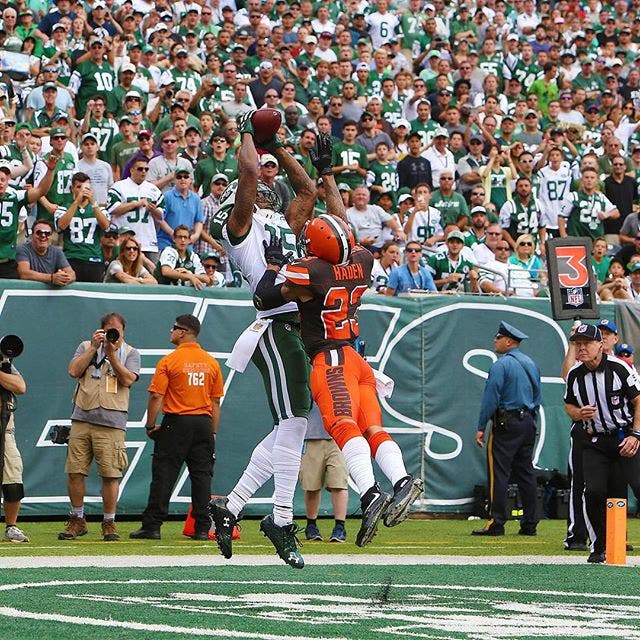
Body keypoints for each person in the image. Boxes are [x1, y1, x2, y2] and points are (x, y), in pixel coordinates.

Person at [252, 141, 423, 548]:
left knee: (343, 426)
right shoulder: (361, 260)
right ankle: (401, 480)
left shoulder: (311, 272)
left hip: (329, 358)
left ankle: (371, 493)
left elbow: (264, 298)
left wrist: (273, 265)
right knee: (373, 427)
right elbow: (341, 221)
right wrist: (326, 174)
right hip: (357, 357)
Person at [207, 110, 316, 569]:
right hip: (275, 324)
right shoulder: (241, 227)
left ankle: (230, 506)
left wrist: (281, 148)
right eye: (257, 193)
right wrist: (250, 131)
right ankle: (281, 518)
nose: (267, 190)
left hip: (300, 327)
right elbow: (250, 172)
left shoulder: (281, 222)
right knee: (294, 423)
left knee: (288, 427)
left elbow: (307, 192)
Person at [130, 315, 223, 540]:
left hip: (176, 422)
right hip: (203, 423)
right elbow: (215, 402)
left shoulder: (169, 361)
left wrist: (150, 425)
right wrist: (212, 431)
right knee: (202, 477)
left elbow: (156, 396)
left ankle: (152, 526)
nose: (170, 331)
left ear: (182, 332)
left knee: (164, 474)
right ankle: (202, 527)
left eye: (173, 328)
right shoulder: (211, 363)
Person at [59, 313, 140, 542]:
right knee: (75, 471)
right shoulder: (86, 346)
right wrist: (94, 348)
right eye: (108, 331)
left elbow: (128, 380)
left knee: (110, 474)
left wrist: (112, 355)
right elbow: (73, 371)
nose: (112, 335)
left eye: (117, 331)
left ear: (123, 332)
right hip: (81, 418)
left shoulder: (131, 353)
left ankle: (109, 522)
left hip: (111, 422)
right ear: (100, 330)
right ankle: (77, 519)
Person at [564, 324, 640, 563]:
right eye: (578, 343)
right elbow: (569, 404)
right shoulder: (575, 374)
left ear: (600, 345)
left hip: (624, 437)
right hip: (595, 441)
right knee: (593, 491)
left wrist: (636, 435)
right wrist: (578, 413)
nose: (582, 347)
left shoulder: (619, 368)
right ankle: (599, 546)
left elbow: (639, 400)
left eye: (587, 343)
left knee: (638, 485)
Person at [472, 321, 541, 537]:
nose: (495, 340)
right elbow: (537, 395)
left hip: (506, 423)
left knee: (499, 473)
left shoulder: (500, 365)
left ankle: (497, 522)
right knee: (526, 473)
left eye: (498, 337)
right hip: (527, 422)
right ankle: (530, 523)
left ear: (509, 341)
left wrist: (481, 426)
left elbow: (491, 397)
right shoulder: (530, 363)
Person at [301, 404, 349, 543]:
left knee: (339, 483)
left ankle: (340, 526)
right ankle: (311, 525)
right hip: (311, 436)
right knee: (311, 486)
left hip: (339, 436)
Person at [0, 343, 29, 542]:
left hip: (5, 430)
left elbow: (20, 387)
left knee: (13, 480)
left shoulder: (6, 366)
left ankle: (11, 527)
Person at [16, 219, 76, 286]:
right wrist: (52, 278)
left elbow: (72, 274)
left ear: (51, 236)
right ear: (32, 235)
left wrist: (63, 278)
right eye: (39, 233)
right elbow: (24, 274)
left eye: (47, 233)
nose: (43, 236)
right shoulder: (22, 249)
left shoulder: (57, 251)